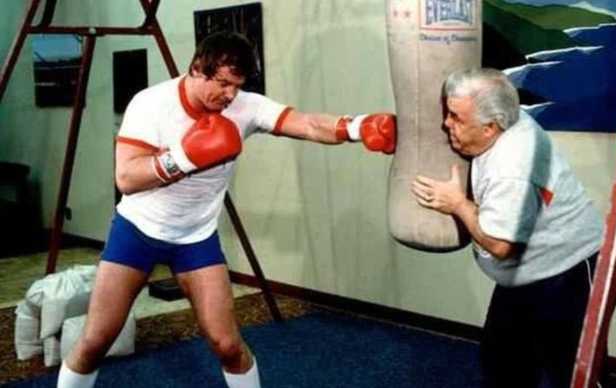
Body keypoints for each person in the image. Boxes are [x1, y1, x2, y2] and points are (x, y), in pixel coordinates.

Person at [57, 31, 395, 388]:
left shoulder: (244, 106)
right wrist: (185, 158)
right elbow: (126, 177)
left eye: (237, 85)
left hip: (195, 237)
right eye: (222, 83)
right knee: (96, 341)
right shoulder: (151, 103)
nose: (230, 94)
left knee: (228, 344)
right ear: (197, 69)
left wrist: (357, 127)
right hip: (137, 231)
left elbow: (308, 124)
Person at [411, 68, 605, 388]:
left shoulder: (513, 166)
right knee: (503, 362)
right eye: (448, 112)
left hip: (566, 269)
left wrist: (458, 204)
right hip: (523, 274)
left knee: (574, 373)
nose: (447, 124)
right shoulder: (505, 118)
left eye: (456, 118)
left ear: (490, 127)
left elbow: (502, 246)